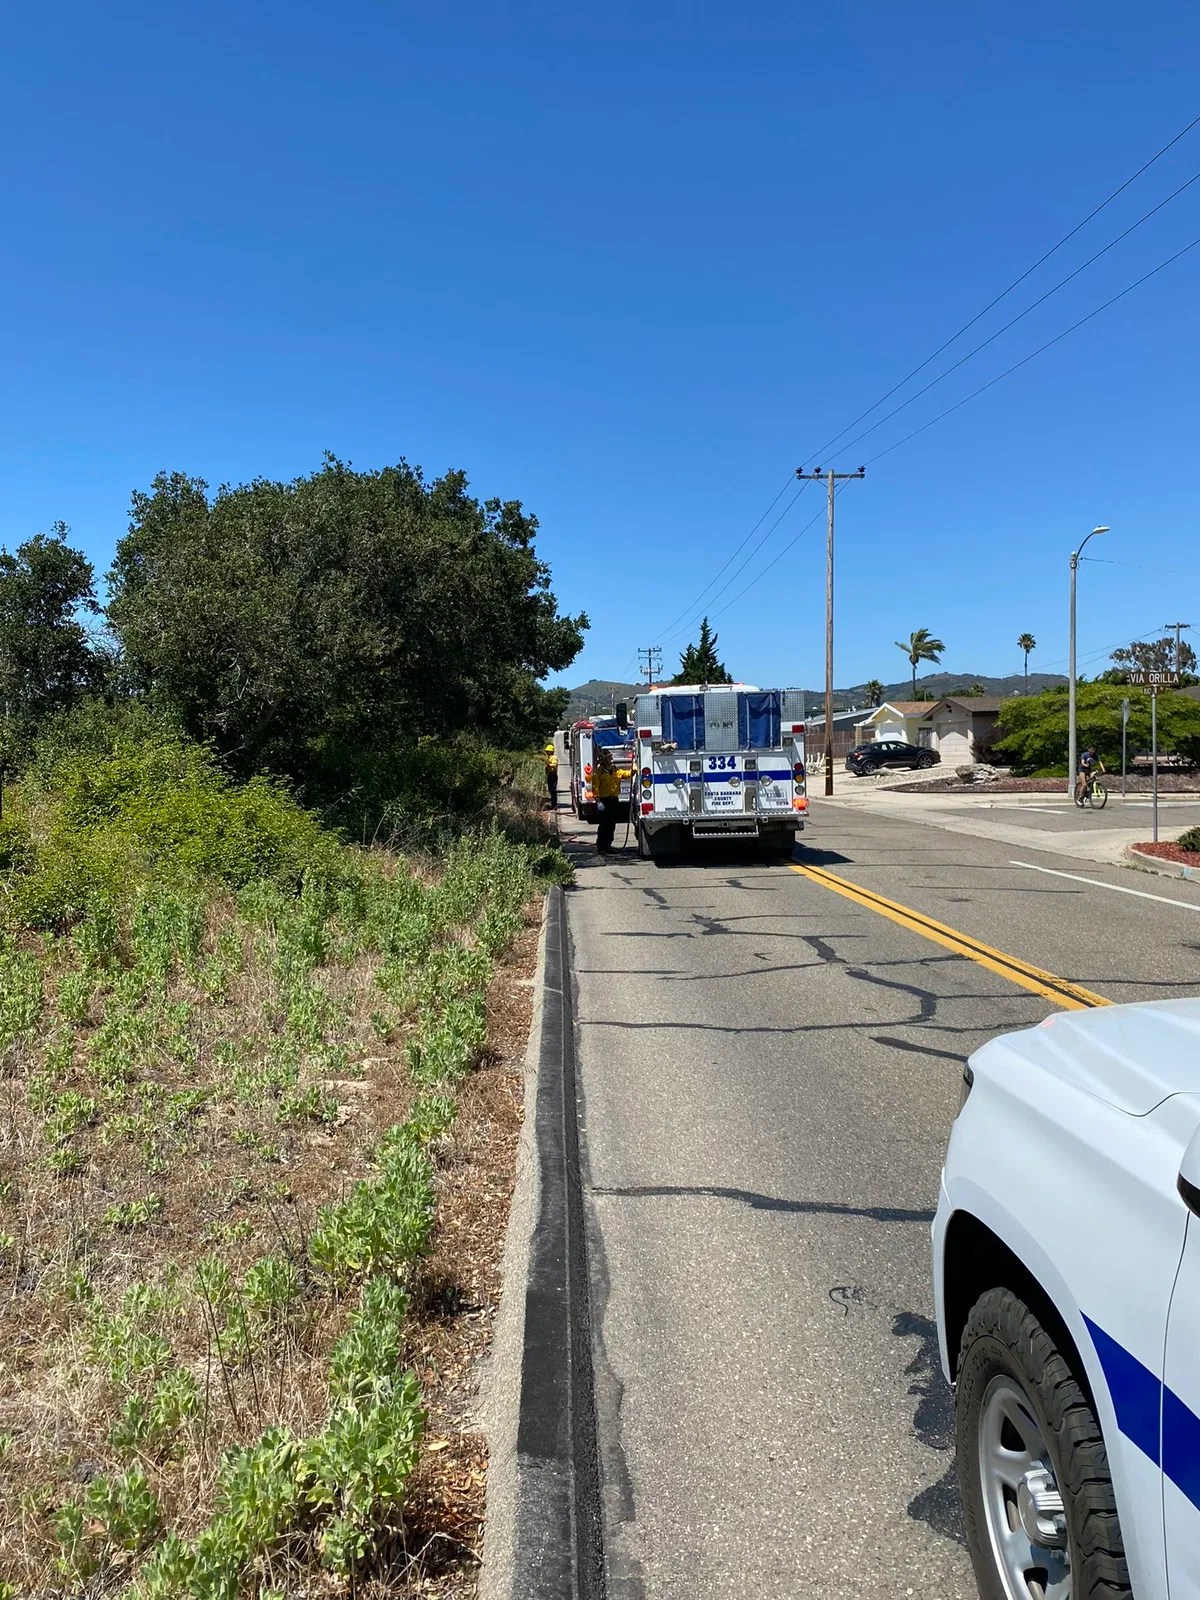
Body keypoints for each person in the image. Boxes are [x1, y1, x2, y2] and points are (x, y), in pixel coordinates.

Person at [594, 747, 624, 853]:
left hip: (613, 801)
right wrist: (598, 800)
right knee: (604, 825)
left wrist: (634, 768)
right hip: (604, 801)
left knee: (611, 825)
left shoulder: (615, 770)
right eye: (609, 757)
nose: (611, 759)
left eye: (610, 757)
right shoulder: (600, 772)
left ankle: (608, 846)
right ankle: (601, 847)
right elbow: (596, 786)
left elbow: (624, 774)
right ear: (604, 760)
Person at [544, 743, 559, 810]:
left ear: (551, 751)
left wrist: (548, 765)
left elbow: (554, 765)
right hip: (550, 775)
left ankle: (554, 805)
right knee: (550, 790)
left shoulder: (554, 758)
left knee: (553, 791)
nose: (547, 752)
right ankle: (553, 805)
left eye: (548, 751)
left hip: (553, 775)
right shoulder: (549, 758)